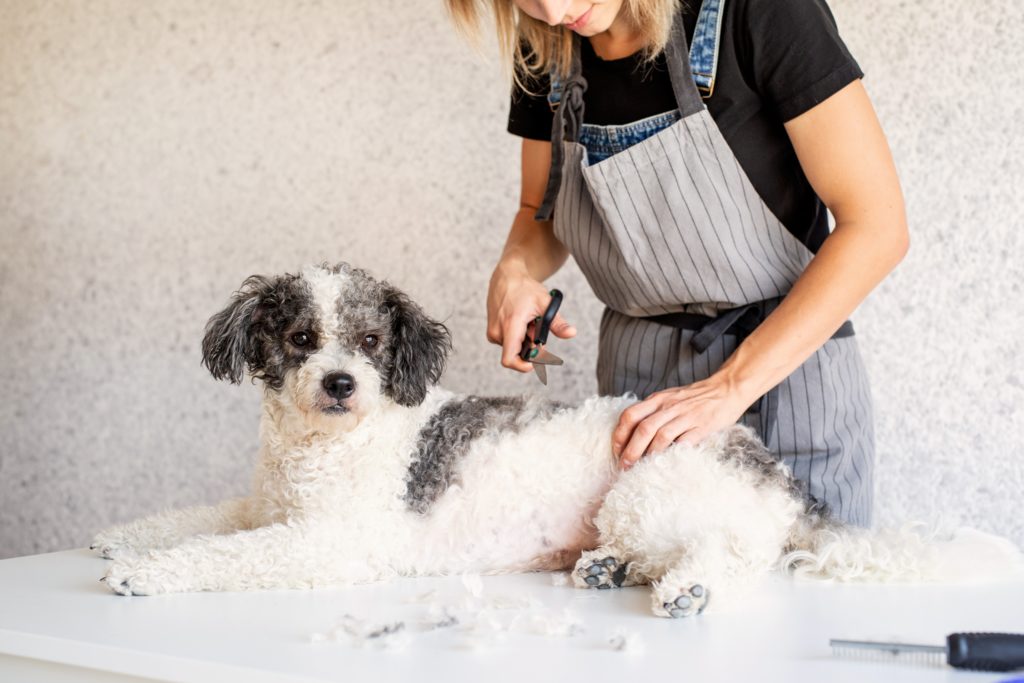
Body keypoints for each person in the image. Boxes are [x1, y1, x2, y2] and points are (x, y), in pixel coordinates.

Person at [444, 0, 908, 527]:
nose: (550, 10)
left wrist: (731, 386)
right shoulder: (544, 46)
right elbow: (539, 212)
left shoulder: (761, 12)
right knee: (645, 593)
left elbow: (877, 228)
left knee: (800, 595)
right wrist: (514, 270)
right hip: (637, 385)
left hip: (784, 384)